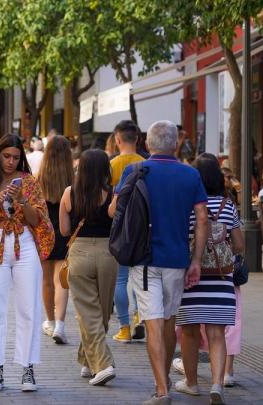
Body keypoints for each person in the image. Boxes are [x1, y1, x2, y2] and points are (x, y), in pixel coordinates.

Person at [110, 120, 208, 405]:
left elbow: (114, 209)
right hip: (177, 259)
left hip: (144, 258)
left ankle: (161, 389)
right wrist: (197, 260)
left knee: (152, 323)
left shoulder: (135, 170)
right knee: (168, 321)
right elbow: (202, 217)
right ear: (176, 143)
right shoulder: (190, 175)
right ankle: (163, 379)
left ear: (148, 144)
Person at [0, 134, 54, 392]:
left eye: (16, 157)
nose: (10, 161)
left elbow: (37, 220)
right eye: (6, 156)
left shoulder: (29, 182)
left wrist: (21, 201)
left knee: (28, 307)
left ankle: (27, 368)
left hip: (24, 242)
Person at [173, 154, 243, 404]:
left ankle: (191, 383)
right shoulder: (228, 206)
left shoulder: (188, 205)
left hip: (192, 277)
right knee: (217, 333)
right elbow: (239, 244)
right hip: (222, 279)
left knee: (190, 332)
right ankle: (216, 384)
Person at [60, 149, 118, 386]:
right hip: (108, 255)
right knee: (102, 311)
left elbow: (64, 231)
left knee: (88, 312)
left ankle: (99, 364)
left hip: (80, 253)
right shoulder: (113, 195)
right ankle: (94, 362)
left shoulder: (69, 193)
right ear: (105, 169)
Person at [109, 120, 146, 344]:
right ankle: (139, 315)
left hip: (120, 228)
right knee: (139, 277)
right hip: (142, 229)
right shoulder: (145, 163)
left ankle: (124, 328)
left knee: (120, 279)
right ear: (138, 139)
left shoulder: (112, 165)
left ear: (117, 139)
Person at [37, 135, 74, 344]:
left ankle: (50, 321)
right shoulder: (73, 178)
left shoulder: (38, 177)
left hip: (43, 232)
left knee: (45, 280)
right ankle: (60, 324)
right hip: (65, 232)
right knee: (62, 281)